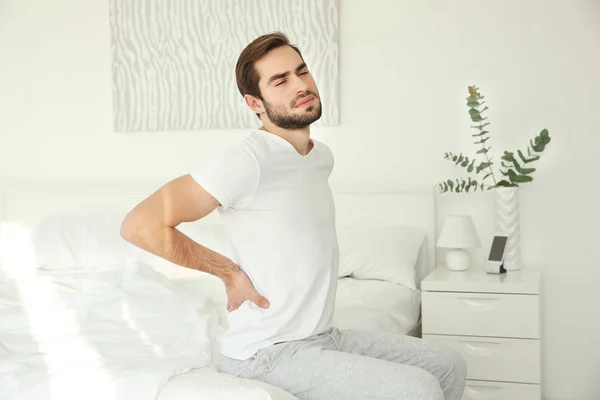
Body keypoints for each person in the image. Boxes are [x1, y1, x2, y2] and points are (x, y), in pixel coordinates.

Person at [120, 32, 466, 400]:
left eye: (302, 72)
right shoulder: (246, 161)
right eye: (280, 80)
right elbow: (139, 225)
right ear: (255, 102)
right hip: (265, 353)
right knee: (419, 390)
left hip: (321, 337)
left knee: (448, 365)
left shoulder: (320, 157)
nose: (300, 85)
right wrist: (227, 271)